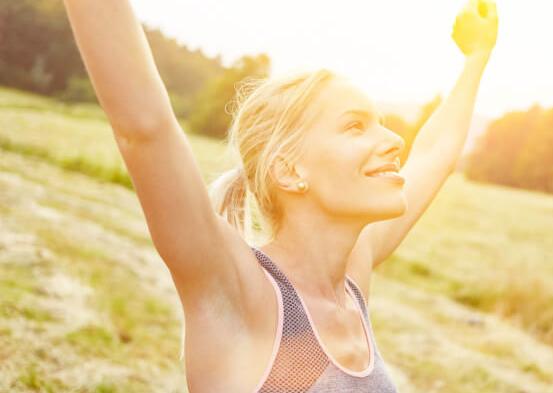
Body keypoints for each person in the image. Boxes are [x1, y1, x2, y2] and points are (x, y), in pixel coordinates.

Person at [62, 0, 498, 391]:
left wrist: (476, 57)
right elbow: (144, 129)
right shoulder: (238, 290)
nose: (393, 141)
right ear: (290, 171)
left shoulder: (352, 279)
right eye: (355, 126)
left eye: (381, 122)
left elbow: (434, 153)